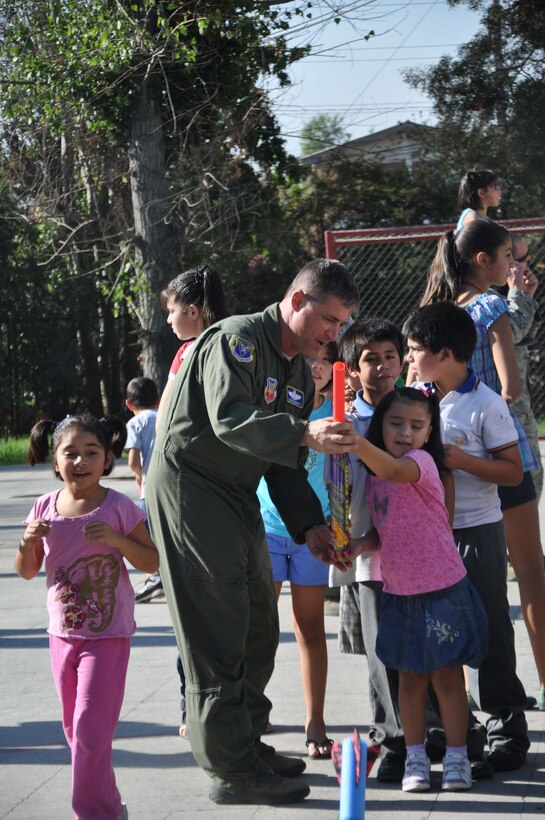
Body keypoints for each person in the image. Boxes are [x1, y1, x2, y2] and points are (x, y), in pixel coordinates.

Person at [146, 259, 360, 806]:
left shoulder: (293, 368)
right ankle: (231, 770)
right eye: (329, 320)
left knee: (260, 625)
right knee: (219, 625)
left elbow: (281, 462)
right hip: (192, 488)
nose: (334, 335)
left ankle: (245, 742)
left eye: (341, 325)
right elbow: (230, 418)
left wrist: (310, 525)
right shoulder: (235, 339)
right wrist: (305, 432)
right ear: (296, 301)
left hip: (235, 491)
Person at [417, 219, 545, 714]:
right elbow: (510, 385)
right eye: (507, 257)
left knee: (460, 578)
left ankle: (458, 698)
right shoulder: (492, 308)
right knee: (529, 571)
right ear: (482, 261)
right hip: (504, 455)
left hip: (449, 461)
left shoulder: (437, 313)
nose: (513, 266)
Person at [404, 301, 532, 773]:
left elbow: (514, 472)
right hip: (428, 537)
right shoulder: (416, 398)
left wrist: (461, 461)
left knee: (490, 627)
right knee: (438, 632)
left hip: (477, 532)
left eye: (415, 349)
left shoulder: (486, 402)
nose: (409, 357)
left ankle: (506, 728)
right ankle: (453, 731)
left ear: (444, 353)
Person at [343, 387, 488, 793]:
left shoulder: (420, 464)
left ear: (428, 434)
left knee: (446, 678)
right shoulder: (376, 479)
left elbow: (391, 469)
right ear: (380, 426)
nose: (406, 432)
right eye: (395, 423)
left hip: (442, 589)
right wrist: (359, 544)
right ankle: (416, 757)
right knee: (409, 681)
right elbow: (382, 531)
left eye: (416, 426)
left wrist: (355, 443)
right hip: (400, 593)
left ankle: (458, 757)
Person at [16, 414, 158, 820]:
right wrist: (28, 542)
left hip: (107, 637)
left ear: (108, 458)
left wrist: (115, 539)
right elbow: (26, 570)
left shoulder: (119, 507)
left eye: (91, 452)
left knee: (91, 733)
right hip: (61, 636)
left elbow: (151, 562)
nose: (80, 461)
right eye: (70, 453)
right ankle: (110, 806)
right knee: (77, 734)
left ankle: (92, 813)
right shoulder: (44, 508)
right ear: (55, 462)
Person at [328, 317, 407, 782]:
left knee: (422, 646)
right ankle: (390, 737)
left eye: (390, 356)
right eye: (370, 359)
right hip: (368, 555)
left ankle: (430, 732)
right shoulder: (344, 421)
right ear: (352, 370)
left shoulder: (415, 411)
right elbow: (335, 485)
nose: (382, 367)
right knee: (381, 653)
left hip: (416, 554)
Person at [257, 340, 338, 760]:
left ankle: (315, 721)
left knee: (309, 629)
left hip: (315, 533)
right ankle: (255, 710)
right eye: (308, 360)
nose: (316, 367)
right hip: (267, 529)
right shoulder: (271, 406)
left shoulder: (340, 411)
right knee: (260, 628)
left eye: (324, 360)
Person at [498, 235, 543, 499]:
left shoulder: (512, 295)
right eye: (520, 258)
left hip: (520, 405)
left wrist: (527, 297)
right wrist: (518, 295)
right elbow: (512, 332)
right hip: (506, 409)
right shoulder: (491, 296)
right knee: (524, 487)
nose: (526, 265)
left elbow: (526, 338)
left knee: (534, 481)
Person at [124, 378, 162, 603]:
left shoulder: (135, 423)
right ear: (158, 399)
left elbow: (132, 460)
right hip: (168, 488)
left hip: (148, 490)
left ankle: (155, 577)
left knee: (146, 537)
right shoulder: (164, 416)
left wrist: (139, 474)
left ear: (129, 404)